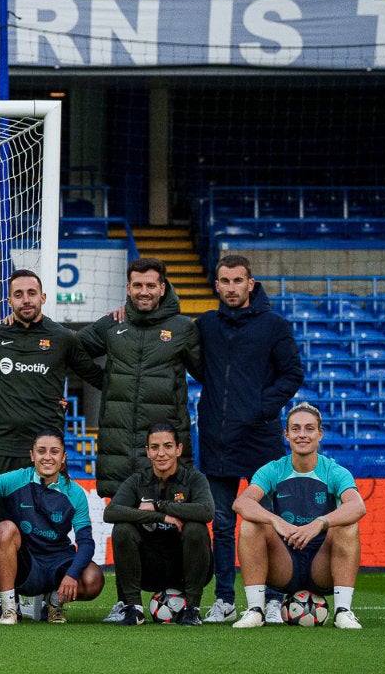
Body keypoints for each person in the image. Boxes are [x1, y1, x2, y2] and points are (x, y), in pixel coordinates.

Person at [192, 254, 303, 622]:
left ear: (250, 284)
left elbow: (292, 374)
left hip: (260, 440)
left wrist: (260, 407)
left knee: (269, 520)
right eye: (224, 281)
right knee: (222, 525)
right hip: (216, 439)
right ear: (217, 285)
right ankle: (224, 599)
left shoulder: (275, 326)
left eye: (238, 281)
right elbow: (196, 366)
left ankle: (272, 598)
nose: (231, 288)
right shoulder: (205, 325)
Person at [230, 404, 364, 630]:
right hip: (285, 564)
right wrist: (276, 520)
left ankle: (343, 611)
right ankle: (255, 610)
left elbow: (358, 506)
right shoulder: (273, 469)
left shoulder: (334, 470)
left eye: (309, 429)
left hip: (322, 567)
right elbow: (241, 502)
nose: (302, 434)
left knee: (348, 526)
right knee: (250, 525)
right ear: (287, 434)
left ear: (320, 434)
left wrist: (320, 523)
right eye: (296, 429)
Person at [78, 256, 202, 496]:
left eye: (150, 285)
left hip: (164, 459)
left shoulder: (183, 328)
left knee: (170, 529)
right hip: (119, 458)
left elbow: (207, 373)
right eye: (137, 285)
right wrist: (103, 380)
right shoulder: (113, 324)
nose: (143, 292)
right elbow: (71, 348)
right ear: (128, 288)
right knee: (124, 531)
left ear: (162, 288)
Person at [0, 434, 105, 626]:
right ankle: (9, 608)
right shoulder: (17, 478)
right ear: (32, 455)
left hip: (58, 562)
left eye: (54, 452)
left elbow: (86, 542)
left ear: (64, 458)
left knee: (93, 579)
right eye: (41, 451)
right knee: (5, 528)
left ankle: (54, 601)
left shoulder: (75, 493)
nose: (48, 457)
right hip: (24, 565)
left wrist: (72, 573)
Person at [0, 268, 100, 474]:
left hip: (48, 448)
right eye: (18, 295)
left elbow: (95, 376)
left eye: (32, 293)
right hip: (7, 445)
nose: (26, 300)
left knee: (51, 506)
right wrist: (10, 395)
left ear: (43, 297)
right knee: (1, 507)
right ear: (9, 302)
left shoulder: (63, 337)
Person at [102, 423, 214, 627]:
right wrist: (160, 518)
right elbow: (111, 512)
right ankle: (133, 609)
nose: (161, 453)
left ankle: (193, 610)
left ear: (178, 449)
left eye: (168, 446)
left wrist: (159, 506)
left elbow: (206, 511)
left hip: (185, 568)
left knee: (196, 529)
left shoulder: (194, 479)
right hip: (150, 569)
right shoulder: (137, 481)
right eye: (154, 447)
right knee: (122, 529)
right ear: (147, 451)